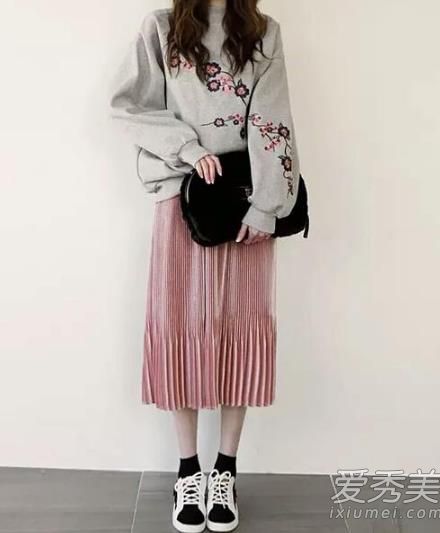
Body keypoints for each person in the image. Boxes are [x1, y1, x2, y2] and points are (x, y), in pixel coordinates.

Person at [109, 0, 300, 531]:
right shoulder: (162, 28)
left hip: (245, 202)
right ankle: (188, 470)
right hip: (182, 198)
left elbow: (273, 120)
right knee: (182, 328)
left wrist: (267, 206)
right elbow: (128, 105)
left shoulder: (263, 33)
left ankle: (226, 471)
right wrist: (189, 149)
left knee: (241, 328)